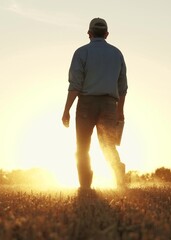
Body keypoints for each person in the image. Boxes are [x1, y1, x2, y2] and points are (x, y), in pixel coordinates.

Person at [62, 18, 128, 189]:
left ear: (89, 33)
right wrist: (120, 112)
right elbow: (122, 87)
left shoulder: (81, 53)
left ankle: (85, 185)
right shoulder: (117, 54)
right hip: (109, 105)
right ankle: (119, 176)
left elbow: (75, 85)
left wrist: (66, 110)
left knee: (82, 146)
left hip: (86, 104)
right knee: (108, 145)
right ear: (106, 34)